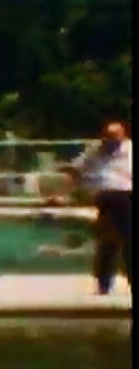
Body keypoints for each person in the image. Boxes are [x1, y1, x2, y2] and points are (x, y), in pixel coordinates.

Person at [58, 121, 132, 295]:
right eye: (107, 136)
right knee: (112, 239)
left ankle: (108, 279)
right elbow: (74, 170)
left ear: (123, 136)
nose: (110, 140)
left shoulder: (130, 151)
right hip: (103, 196)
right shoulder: (94, 152)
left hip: (125, 195)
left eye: (114, 136)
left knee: (118, 239)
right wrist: (67, 192)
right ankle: (104, 282)